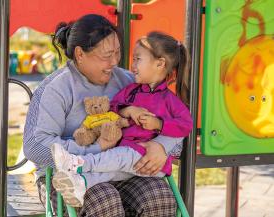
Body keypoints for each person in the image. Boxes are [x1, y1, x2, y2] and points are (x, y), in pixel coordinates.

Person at [23, 14, 184, 216]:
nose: (114, 62)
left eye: (117, 53)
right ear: (80, 54)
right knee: (104, 199)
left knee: (159, 195)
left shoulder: (129, 83)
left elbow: (176, 129)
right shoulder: (56, 88)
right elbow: (35, 148)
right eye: (106, 55)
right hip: (67, 179)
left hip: (123, 171)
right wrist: (95, 150)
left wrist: (161, 146)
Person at [52, 32, 193, 207]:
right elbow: (113, 107)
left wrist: (159, 124)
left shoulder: (170, 100)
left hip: (146, 158)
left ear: (159, 63)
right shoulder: (132, 90)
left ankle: (78, 164)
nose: (132, 65)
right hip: (129, 157)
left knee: (117, 156)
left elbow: (186, 125)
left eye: (138, 59)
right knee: (110, 170)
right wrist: (128, 110)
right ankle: (81, 186)